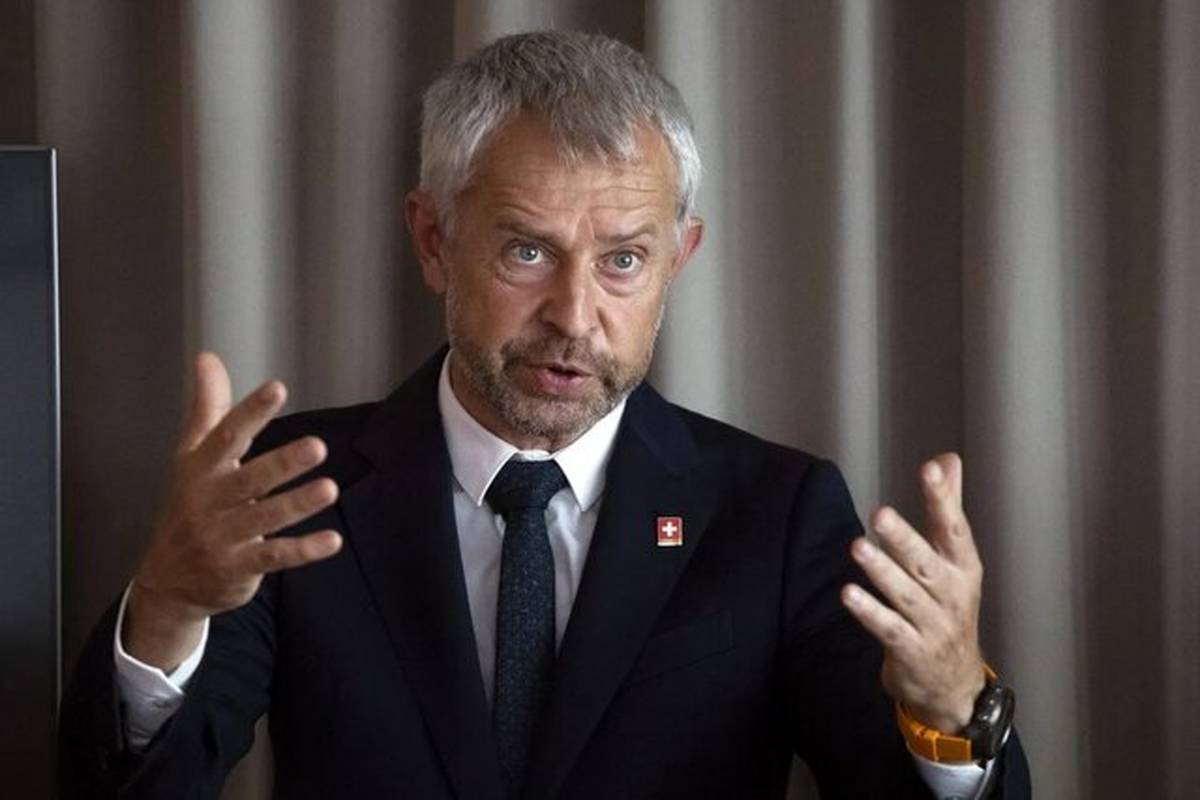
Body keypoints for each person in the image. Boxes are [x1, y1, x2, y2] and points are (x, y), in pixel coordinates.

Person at [59, 31, 1030, 799]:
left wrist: (956, 707)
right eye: (527, 251)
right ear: (433, 240)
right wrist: (167, 608)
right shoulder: (293, 486)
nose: (574, 314)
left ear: (679, 259)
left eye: (623, 260)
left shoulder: (778, 511)